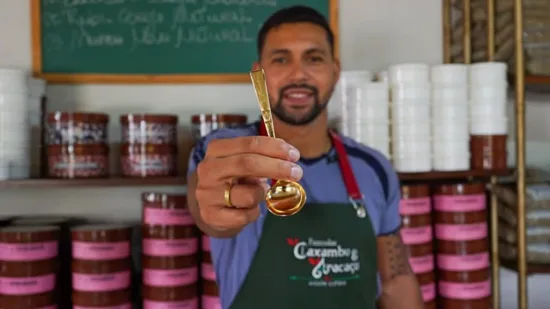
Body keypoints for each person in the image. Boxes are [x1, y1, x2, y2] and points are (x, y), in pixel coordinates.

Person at [187, 5, 424, 309]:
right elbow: (209, 213)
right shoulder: (225, 149)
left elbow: (396, 278)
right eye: (281, 59)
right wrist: (217, 210)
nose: (298, 74)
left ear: (335, 71)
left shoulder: (373, 167)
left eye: (314, 58)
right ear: (260, 73)